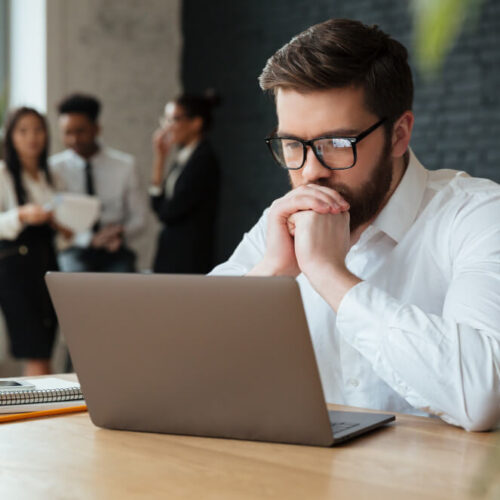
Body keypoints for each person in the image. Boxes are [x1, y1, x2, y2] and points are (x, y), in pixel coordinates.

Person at [210, 19, 500, 431]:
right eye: (293, 144)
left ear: (399, 135)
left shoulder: (480, 216)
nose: (310, 172)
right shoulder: (281, 224)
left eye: (336, 144)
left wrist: (330, 275)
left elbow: (483, 396)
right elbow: (187, 360)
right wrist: (269, 275)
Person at [0, 107, 71, 375]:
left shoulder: (50, 176)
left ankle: (38, 411)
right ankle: (39, 414)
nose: (32, 137)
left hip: (47, 264)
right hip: (16, 269)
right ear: (11, 136)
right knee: (35, 351)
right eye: (23, 131)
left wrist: (64, 228)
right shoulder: (3, 174)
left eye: (38, 129)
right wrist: (22, 214)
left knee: (45, 348)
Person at [50, 93, 146, 273]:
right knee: (72, 284)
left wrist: (119, 234)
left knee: (123, 288)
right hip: (74, 248)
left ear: (96, 129)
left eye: (80, 131)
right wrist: (88, 239)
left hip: (115, 248)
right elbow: (54, 222)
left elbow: (139, 218)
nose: (74, 139)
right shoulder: (54, 169)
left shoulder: (125, 166)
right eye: (67, 132)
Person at [149, 92, 220, 273]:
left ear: (196, 123)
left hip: (188, 256)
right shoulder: (184, 158)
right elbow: (157, 203)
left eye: (173, 120)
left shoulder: (203, 160)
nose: (167, 127)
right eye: (165, 120)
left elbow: (168, 212)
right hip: (173, 252)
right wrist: (160, 158)